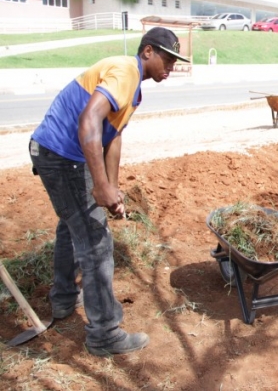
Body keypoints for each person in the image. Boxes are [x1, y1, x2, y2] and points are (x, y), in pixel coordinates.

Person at [29, 27, 189, 356]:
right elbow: (89, 120)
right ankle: (104, 333)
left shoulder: (133, 88)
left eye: (175, 61)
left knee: (70, 226)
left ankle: (62, 300)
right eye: (167, 58)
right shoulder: (126, 72)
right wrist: (99, 185)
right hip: (61, 157)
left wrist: (112, 188)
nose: (171, 66)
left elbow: (112, 137)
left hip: (59, 155)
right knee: (96, 244)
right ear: (148, 52)